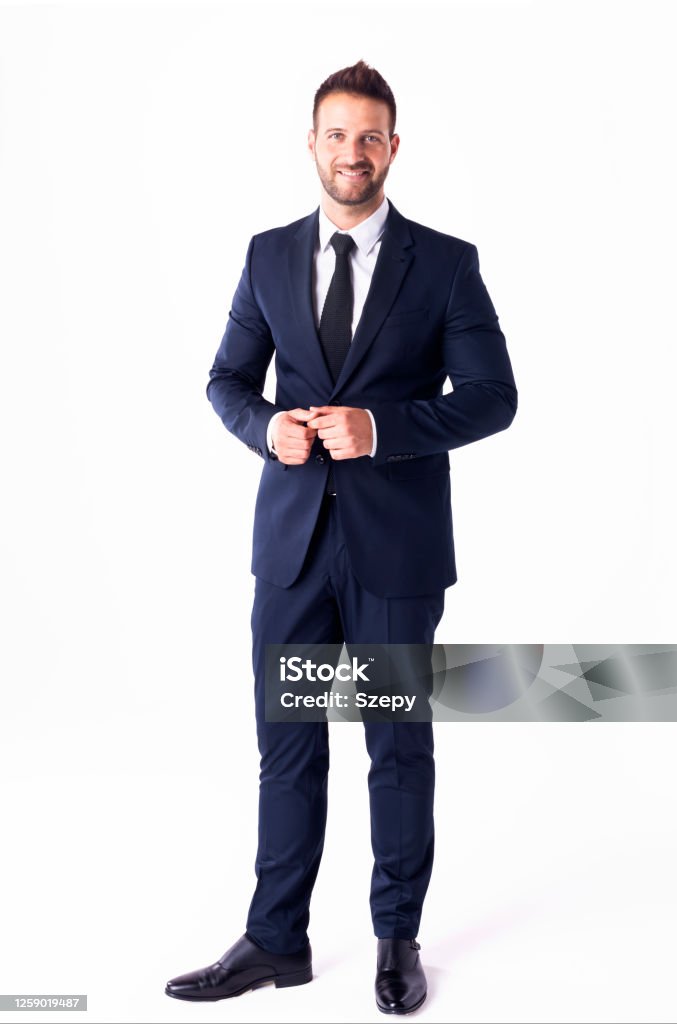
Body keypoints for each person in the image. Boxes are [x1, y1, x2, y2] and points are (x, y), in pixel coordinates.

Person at [165, 59, 517, 1015]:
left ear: (392, 148)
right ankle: (276, 941)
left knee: (395, 746)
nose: (351, 152)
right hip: (290, 550)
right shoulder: (267, 255)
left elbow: (494, 398)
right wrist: (263, 428)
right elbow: (226, 380)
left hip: (394, 552)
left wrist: (385, 429)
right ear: (310, 142)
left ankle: (395, 941)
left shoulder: (444, 263)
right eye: (335, 134)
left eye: (369, 136)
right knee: (286, 745)